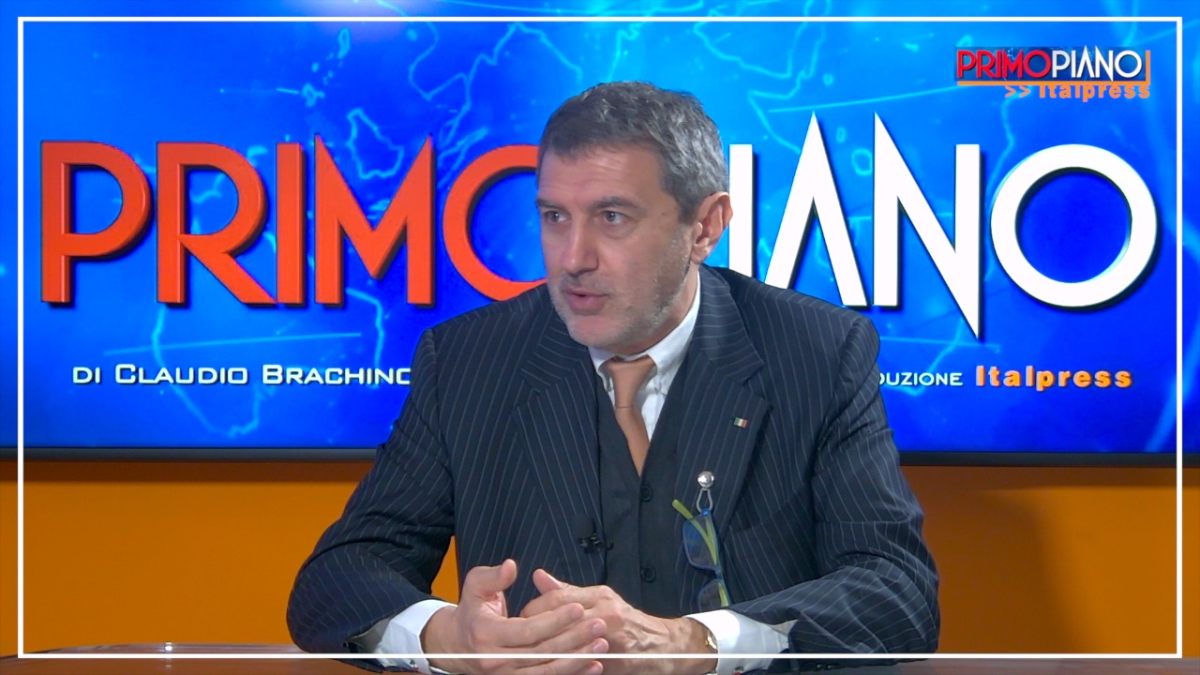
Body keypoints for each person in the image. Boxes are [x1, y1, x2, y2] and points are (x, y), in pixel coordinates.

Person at [287, 81, 939, 675]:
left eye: (612, 217)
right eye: (555, 217)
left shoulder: (818, 352)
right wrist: (445, 636)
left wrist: (698, 643)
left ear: (705, 227)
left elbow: (897, 592)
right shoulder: (466, 360)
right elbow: (338, 579)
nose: (573, 259)